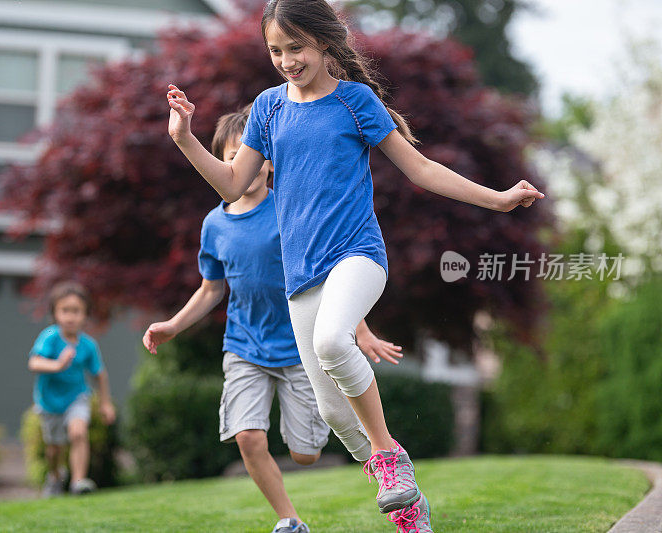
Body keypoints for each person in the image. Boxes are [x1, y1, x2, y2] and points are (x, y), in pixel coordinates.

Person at [164, 0, 544, 529]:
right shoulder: (269, 109)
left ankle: (389, 458)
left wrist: (497, 199)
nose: (286, 60)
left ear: (324, 42)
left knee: (331, 341)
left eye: (295, 48)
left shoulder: (354, 102)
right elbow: (231, 184)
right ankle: (409, 508)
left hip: (357, 255)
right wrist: (184, 138)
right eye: (276, 50)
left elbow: (421, 168)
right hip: (301, 276)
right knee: (333, 412)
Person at [144, 107, 403, 533]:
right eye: (232, 157)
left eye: (258, 154)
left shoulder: (289, 211)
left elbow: (324, 280)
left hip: (298, 348)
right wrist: (172, 325)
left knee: (306, 455)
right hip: (244, 345)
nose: (246, 164)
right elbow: (212, 288)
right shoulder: (214, 225)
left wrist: (361, 331)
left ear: (269, 160)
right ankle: (289, 519)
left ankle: (376, 451)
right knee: (247, 436)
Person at [28, 281, 117, 497]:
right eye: (65, 310)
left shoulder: (88, 345)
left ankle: (78, 482)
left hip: (77, 397)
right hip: (49, 401)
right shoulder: (50, 337)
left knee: (78, 433)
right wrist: (57, 365)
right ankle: (55, 476)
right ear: (55, 313)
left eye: (76, 311)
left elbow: (99, 374)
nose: (70, 316)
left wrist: (105, 403)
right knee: (54, 449)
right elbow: (34, 363)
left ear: (85, 315)